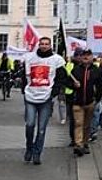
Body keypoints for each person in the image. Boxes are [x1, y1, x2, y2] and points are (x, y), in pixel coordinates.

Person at [21, 36, 71, 165]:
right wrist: (23, 90)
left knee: (41, 128)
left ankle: (37, 153)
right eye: (42, 44)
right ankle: (29, 148)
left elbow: (61, 78)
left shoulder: (57, 60)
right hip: (30, 96)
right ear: (39, 45)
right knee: (30, 124)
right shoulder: (29, 58)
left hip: (46, 98)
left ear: (50, 46)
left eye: (46, 44)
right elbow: (24, 75)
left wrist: (53, 93)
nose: (44, 46)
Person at [67, 48, 102, 156]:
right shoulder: (76, 70)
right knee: (78, 123)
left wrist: (97, 99)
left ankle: (84, 143)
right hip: (77, 102)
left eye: (88, 55)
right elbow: (68, 83)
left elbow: (101, 86)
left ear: (92, 57)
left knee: (87, 125)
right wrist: (73, 85)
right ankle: (78, 145)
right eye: (84, 55)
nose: (85, 57)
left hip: (90, 102)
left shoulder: (96, 71)